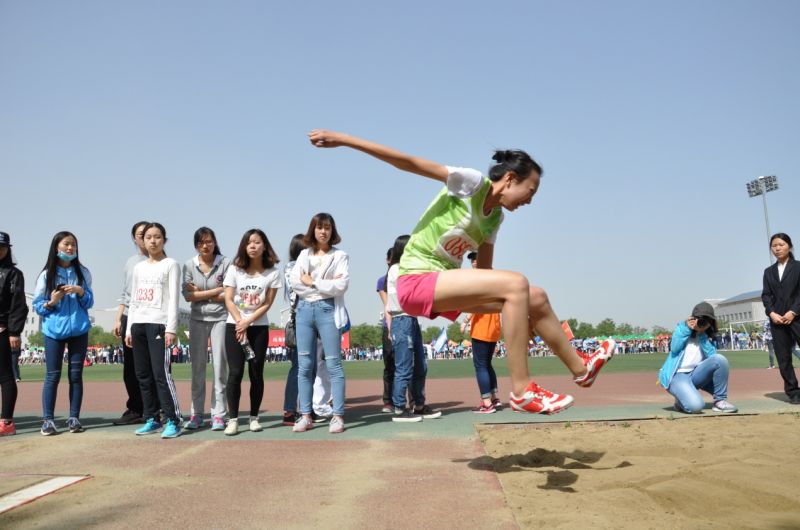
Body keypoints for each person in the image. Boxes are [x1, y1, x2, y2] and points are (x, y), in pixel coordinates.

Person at [308, 129, 614, 414]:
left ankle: (581, 369)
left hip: (442, 286)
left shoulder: (495, 219)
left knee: (536, 297)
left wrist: (522, 313)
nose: (530, 201)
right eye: (530, 191)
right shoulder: (472, 183)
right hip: (415, 280)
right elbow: (408, 162)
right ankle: (522, 391)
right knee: (518, 284)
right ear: (510, 179)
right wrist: (345, 139)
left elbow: (487, 275)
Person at [290, 212, 349, 434]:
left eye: (327, 227)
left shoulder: (340, 255)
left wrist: (313, 281)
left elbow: (341, 285)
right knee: (304, 365)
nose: (323, 231)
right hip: (304, 310)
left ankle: (338, 415)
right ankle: (306, 415)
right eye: (319, 227)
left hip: (328, 310)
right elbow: (296, 283)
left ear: (332, 231)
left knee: (334, 364)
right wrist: (325, 284)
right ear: (312, 230)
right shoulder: (304, 254)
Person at [33, 231, 94, 435]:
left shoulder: (82, 272)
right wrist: (52, 301)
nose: (70, 248)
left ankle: (74, 418)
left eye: (73, 245)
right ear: (56, 247)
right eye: (66, 244)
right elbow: (38, 306)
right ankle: (48, 420)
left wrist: (81, 292)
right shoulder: (46, 275)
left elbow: (89, 302)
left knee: (76, 375)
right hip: (53, 331)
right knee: (52, 376)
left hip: (79, 329)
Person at [125, 222, 183, 438]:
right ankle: (151, 418)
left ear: (164, 240)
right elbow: (133, 299)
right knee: (142, 374)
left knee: (161, 374)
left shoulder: (170, 264)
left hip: (159, 324)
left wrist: (171, 328)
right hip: (138, 324)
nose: (153, 241)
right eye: (148, 237)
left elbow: (174, 299)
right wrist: (129, 328)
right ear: (142, 241)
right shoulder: (138, 268)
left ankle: (173, 420)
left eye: (157, 237)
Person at [222, 229, 281, 435]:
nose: (253, 246)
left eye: (257, 242)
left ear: (264, 246)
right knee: (235, 373)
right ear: (244, 247)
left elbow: (267, 303)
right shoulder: (234, 270)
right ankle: (233, 420)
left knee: (256, 373)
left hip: (258, 328)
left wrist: (248, 321)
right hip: (234, 326)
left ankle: (254, 417)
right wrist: (240, 322)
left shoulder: (273, 273)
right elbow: (229, 299)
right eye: (249, 243)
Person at [385, 234, 441, 422]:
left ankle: (419, 405)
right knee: (404, 367)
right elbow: (408, 293)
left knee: (420, 366)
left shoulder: (406, 268)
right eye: (412, 247)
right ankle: (400, 408)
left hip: (411, 320)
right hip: (401, 320)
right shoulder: (396, 269)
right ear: (403, 249)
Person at [182, 227, 231, 431]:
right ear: (196, 245)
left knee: (220, 368)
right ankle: (197, 413)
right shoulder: (189, 265)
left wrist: (200, 292)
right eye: (201, 242)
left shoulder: (225, 263)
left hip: (221, 318)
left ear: (214, 242)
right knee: (197, 368)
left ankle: (218, 414)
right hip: (197, 319)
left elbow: (228, 294)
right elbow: (188, 296)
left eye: (209, 241)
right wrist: (215, 291)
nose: (205, 245)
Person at [658, 302, 738, 414]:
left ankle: (720, 401)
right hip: (677, 375)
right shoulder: (681, 328)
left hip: (696, 374)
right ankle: (681, 399)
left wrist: (702, 334)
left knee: (720, 360)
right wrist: (687, 328)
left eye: (707, 320)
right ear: (693, 318)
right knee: (696, 407)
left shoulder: (706, 336)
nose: (702, 322)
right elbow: (674, 348)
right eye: (700, 319)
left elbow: (712, 357)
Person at [112, 221, 155, 426]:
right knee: (131, 368)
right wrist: (118, 319)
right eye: (140, 235)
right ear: (135, 239)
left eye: (149, 234)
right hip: (131, 317)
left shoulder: (163, 262)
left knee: (155, 367)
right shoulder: (131, 262)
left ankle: (156, 408)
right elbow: (125, 293)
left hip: (153, 318)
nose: (146, 238)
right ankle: (136, 408)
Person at [462, 251, 503, 414]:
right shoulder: (495, 277)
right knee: (487, 364)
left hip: (482, 326)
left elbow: (476, 302)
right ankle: (494, 398)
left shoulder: (478, 278)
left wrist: (465, 320)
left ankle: (486, 403)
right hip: (494, 327)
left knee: (480, 365)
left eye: (476, 259)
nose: (474, 262)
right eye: (472, 259)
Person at [761, 233, 800, 405]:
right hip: (777, 321)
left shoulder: (798, 267)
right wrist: (771, 313)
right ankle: (793, 392)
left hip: (797, 318)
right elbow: (766, 295)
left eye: (781, 244)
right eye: (774, 245)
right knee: (783, 358)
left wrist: (794, 311)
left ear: (789, 246)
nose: (777, 248)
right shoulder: (768, 272)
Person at [0, 232, 28, 436]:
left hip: (3, 330)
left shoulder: (14, 274)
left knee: (5, 375)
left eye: (2, 247)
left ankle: (7, 421)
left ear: (8, 249)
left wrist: (14, 332)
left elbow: (18, 305)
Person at [281, 234, 305, 426]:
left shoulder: (289, 267)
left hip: (298, 318)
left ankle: (294, 410)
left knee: (300, 367)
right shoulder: (294, 267)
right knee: (301, 367)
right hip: (301, 318)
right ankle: (293, 409)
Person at [376, 247, 394, 413]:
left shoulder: (407, 278)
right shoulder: (382, 281)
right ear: (387, 260)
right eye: (393, 258)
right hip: (390, 325)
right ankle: (388, 401)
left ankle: (413, 401)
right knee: (389, 365)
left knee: (408, 366)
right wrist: (390, 329)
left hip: (407, 323)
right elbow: (388, 305)